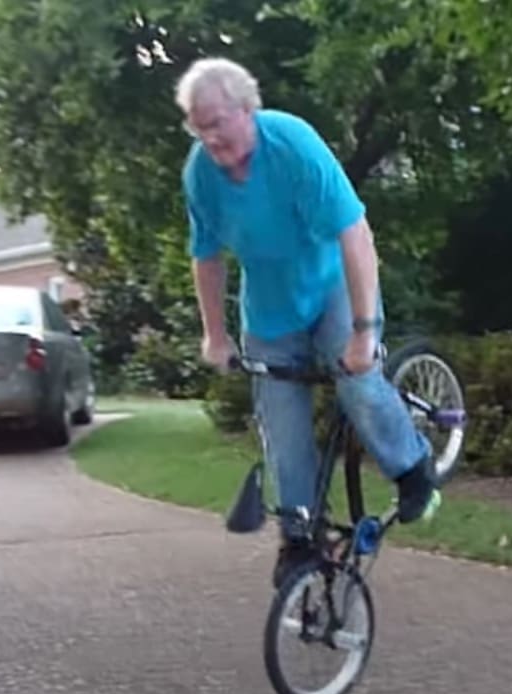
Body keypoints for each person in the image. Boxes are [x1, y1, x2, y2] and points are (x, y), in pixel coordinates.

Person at [176, 57, 440, 585]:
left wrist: (365, 332)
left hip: (331, 289)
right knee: (281, 426)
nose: (210, 136)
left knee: (358, 385)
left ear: (248, 108)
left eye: (217, 121)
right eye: (198, 126)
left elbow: (356, 235)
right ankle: (298, 536)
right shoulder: (200, 175)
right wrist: (216, 335)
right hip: (269, 311)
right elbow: (207, 256)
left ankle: (413, 469)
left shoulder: (293, 145)